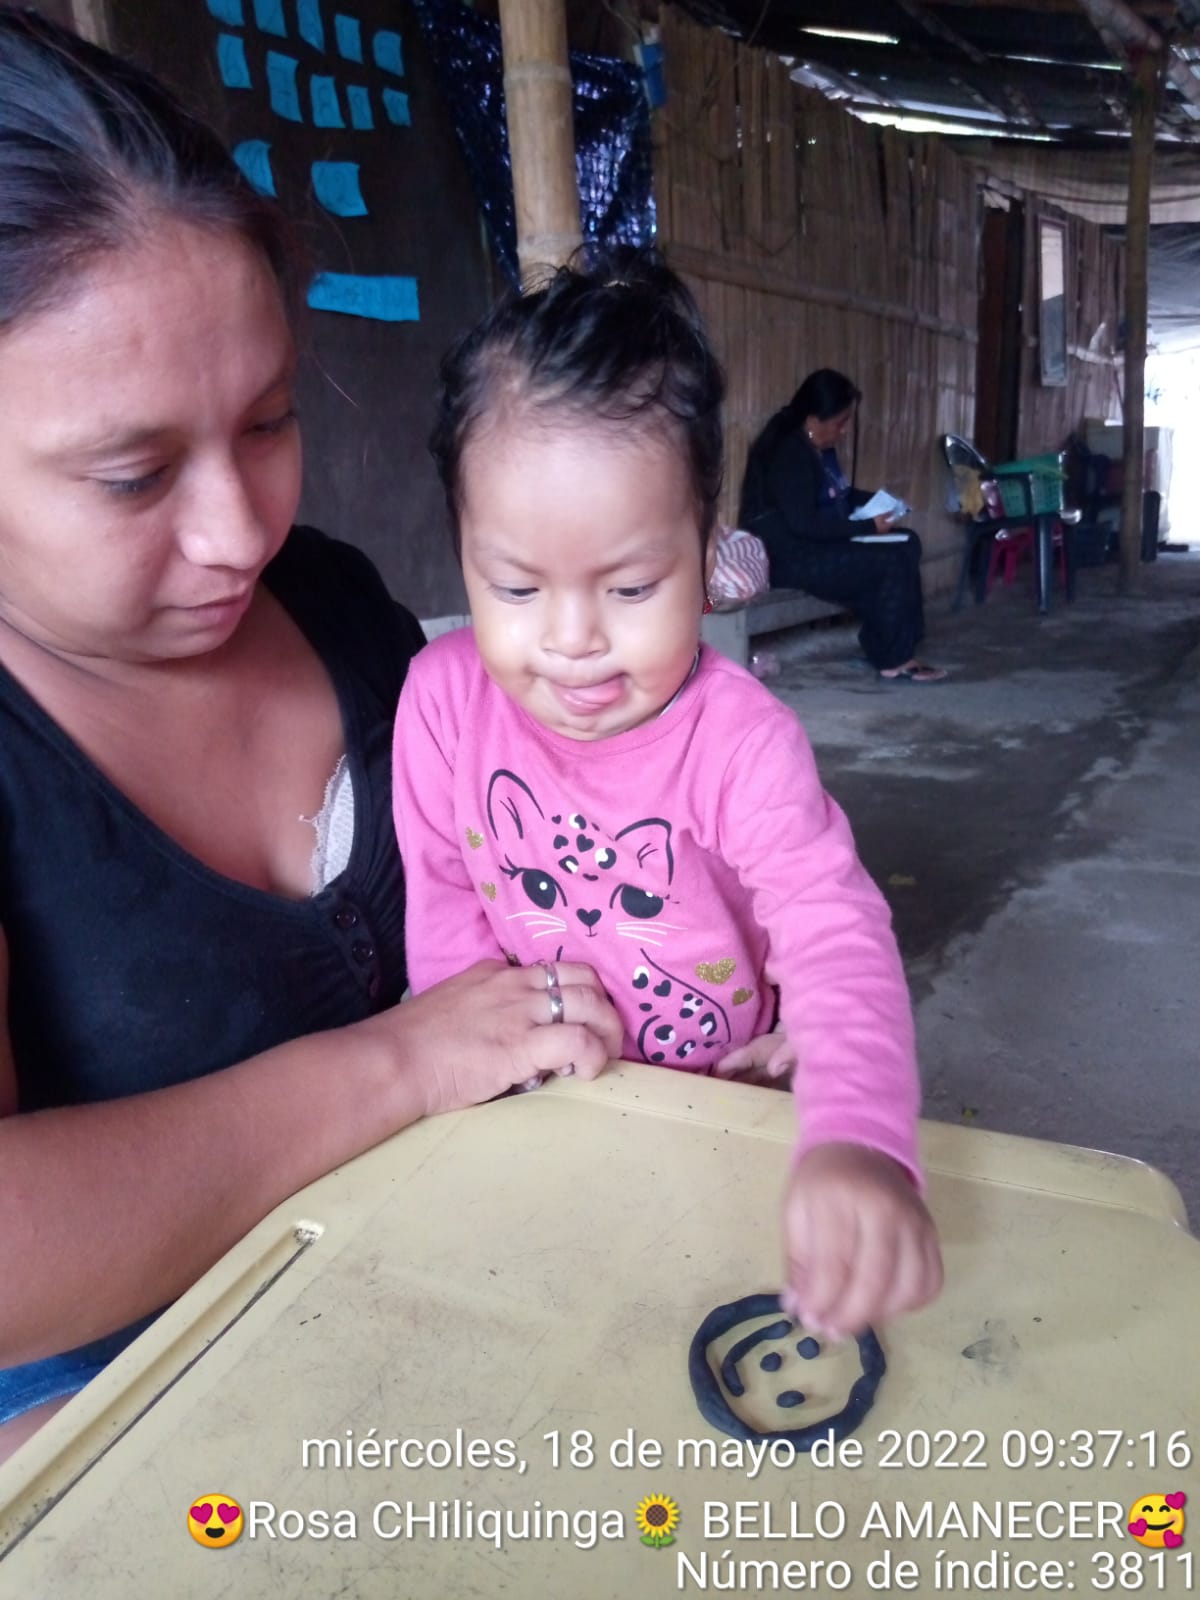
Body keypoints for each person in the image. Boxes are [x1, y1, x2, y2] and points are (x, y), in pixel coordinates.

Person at [0, 10, 623, 1461]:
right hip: (117, 1404)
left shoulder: (335, 603)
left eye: (271, 421)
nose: (240, 532)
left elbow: (530, 886)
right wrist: (402, 1066)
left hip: (455, 1284)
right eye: (132, 475)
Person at [392, 254, 943, 1340]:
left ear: (708, 549)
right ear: (461, 550)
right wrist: (485, 1087)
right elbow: (445, 912)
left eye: (633, 586)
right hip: (547, 1104)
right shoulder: (442, 704)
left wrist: (855, 1133)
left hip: (727, 1100)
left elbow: (833, 929)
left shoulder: (741, 741)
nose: (572, 639)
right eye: (515, 586)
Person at [739, 368, 947, 682]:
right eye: (840, 422)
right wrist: (867, 529)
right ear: (814, 419)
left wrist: (881, 502)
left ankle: (897, 641)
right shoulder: (790, 454)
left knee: (907, 541)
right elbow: (804, 524)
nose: (844, 430)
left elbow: (840, 496)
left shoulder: (817, 449)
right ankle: (894, 658)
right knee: (888, 561)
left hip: (814, 544)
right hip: (790, 558)